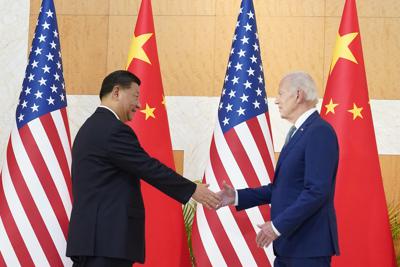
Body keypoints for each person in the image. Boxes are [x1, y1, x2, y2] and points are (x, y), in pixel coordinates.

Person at [66, 70, 220, 267]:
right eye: (136, 96)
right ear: (116, 92)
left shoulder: (90, 127)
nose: (139, 105)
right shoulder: (113, 130)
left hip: (94, 240)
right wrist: (192, 190)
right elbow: (148, 167)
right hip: (106, 242)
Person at [218, 72, 340, 267]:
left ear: (298, 95)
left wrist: (276, 227)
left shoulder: (319, 131)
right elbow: (282, 188)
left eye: (281, 94)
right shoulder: (300, 132)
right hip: (290, 246)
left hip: (307, 247)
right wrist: (237, 197)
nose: (276, 101)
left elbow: (317, 191)